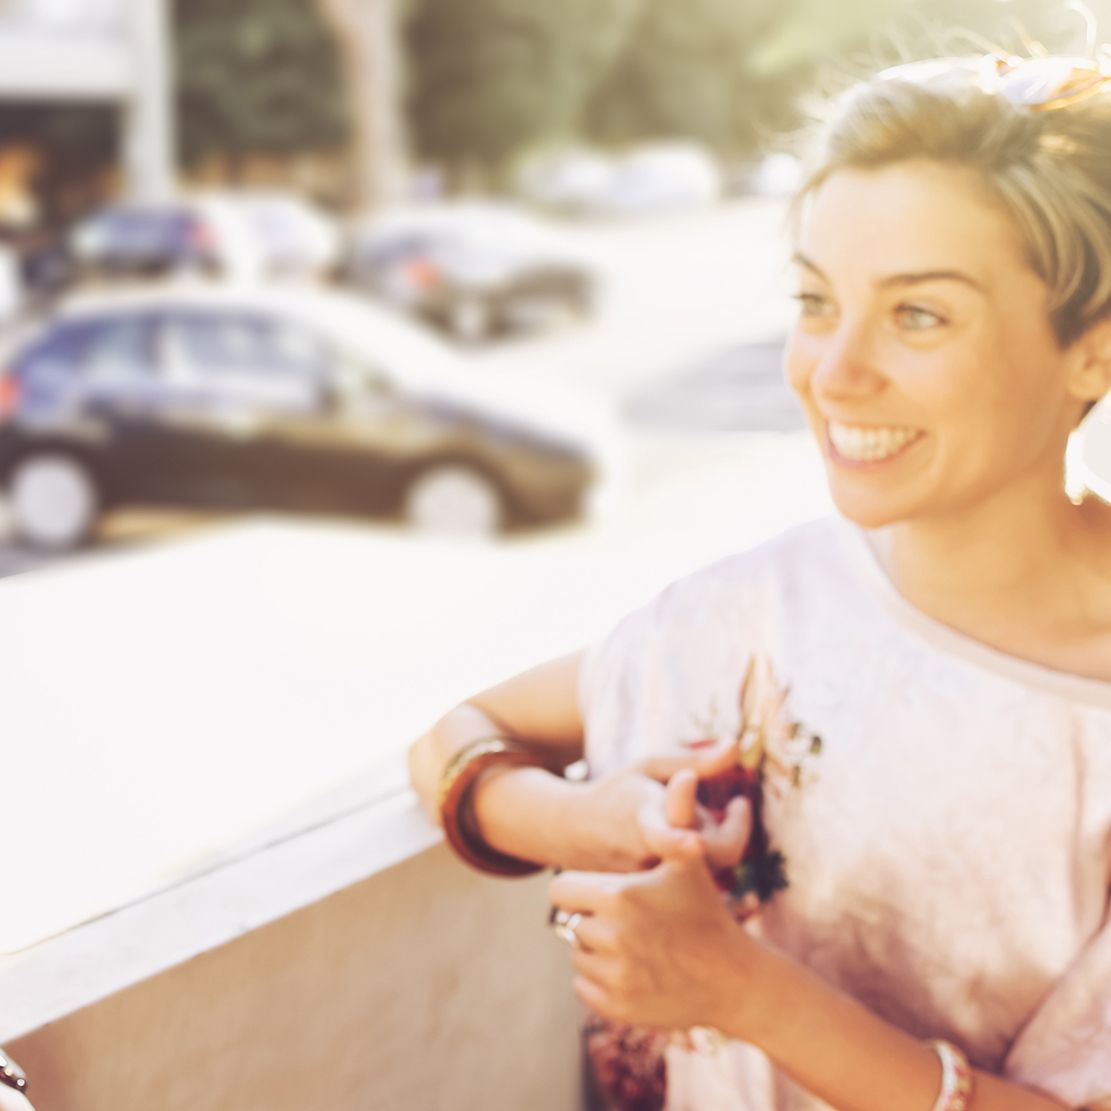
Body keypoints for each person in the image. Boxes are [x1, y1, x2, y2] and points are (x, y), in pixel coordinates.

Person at [409, 48, 1111, 1111]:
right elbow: (456, 735)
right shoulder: (759, 608)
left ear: (1092, 357)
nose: (832, 373)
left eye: (918, 314)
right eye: (817, 301)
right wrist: (587, 821)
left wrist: (743, 992)